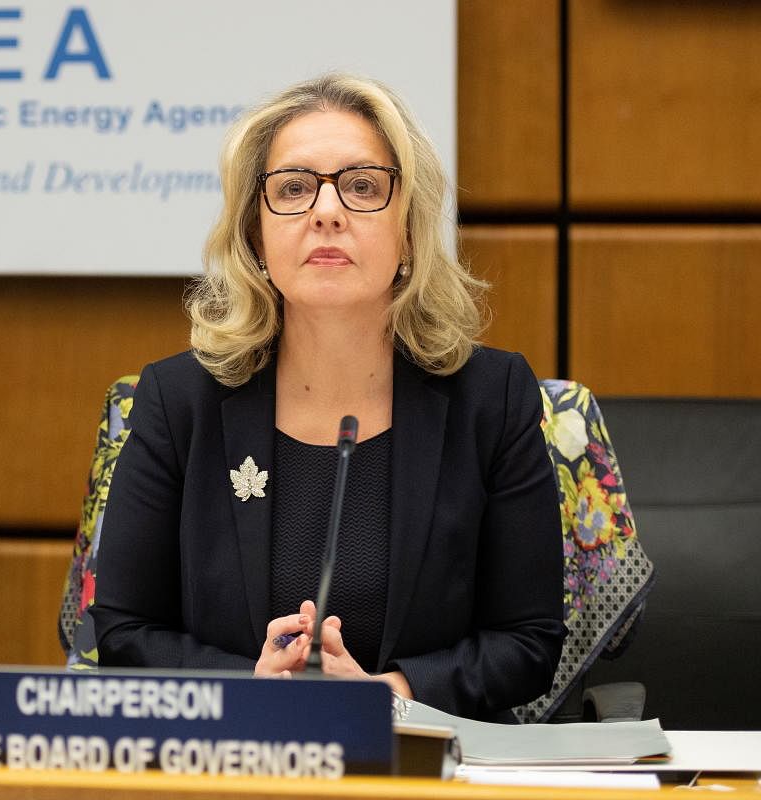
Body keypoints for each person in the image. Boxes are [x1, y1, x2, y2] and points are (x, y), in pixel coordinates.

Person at [88, 74, 565, 722]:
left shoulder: (491, 399)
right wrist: (249, 687)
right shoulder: (181, 402)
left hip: (426, 772)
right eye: (293, 188)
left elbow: (528, 642)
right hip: (237, 767)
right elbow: (122, 629)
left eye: (362, 186)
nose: (327, 210)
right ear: (256, 237)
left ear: (411, 230)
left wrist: (388, 695)